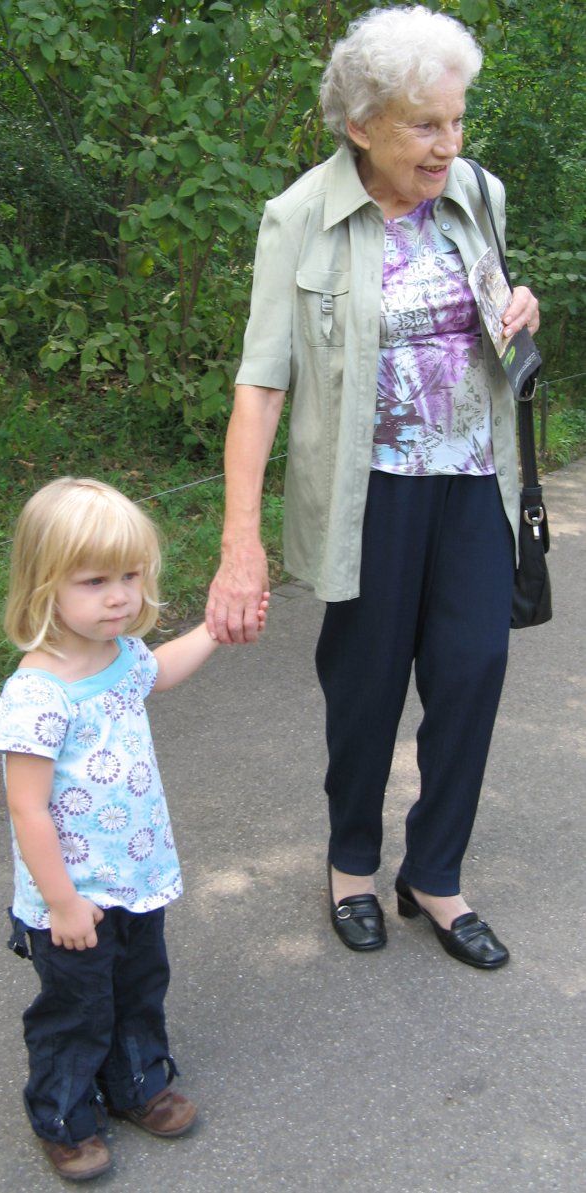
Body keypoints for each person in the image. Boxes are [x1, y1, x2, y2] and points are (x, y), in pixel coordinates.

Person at [206, 6, 540, 969]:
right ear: (360, 124)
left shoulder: (477, 192)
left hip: (473, 479)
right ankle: (352, 863)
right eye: (423, 125)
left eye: (456, 118)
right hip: (370, 493)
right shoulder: (299, 218)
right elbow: (261, 382)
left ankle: (434, 873)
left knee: (473, 673)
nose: (449, 144)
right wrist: (240, 540)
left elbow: (492, 316)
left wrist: (517, 311)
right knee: (363, 689)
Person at [0, 477, 267, 1181]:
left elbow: (157, 673)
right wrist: (60, 904)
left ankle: (138, 1082)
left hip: (138, 876)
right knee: (76, 1009)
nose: (120, 595)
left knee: (141, 986)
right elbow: (27, 808)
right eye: (94, 580)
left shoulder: (118, 655)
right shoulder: (37, 694)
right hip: (72, 898)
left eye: (131, 576)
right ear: (43, 585)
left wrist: (212, 629)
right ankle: (63, 1114)